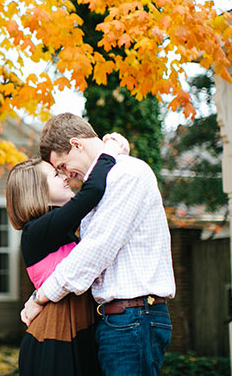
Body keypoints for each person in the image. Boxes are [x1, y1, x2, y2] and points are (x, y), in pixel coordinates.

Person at [21, 113, 176, 376]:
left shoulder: (126, 174)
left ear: (77, 144)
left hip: (134, 318)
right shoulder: (106, 180)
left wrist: (40, 296)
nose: (66, 175)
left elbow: (95, 251)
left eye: (62, 164)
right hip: (121, 319)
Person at [6, 134, 128, 376]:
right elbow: (92, 192)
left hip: (76, 330)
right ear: (36, 188)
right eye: (55, 174)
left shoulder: (57, 231)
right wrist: (109, 150)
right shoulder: (37, 231)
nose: (65, 177)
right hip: (55, 337)